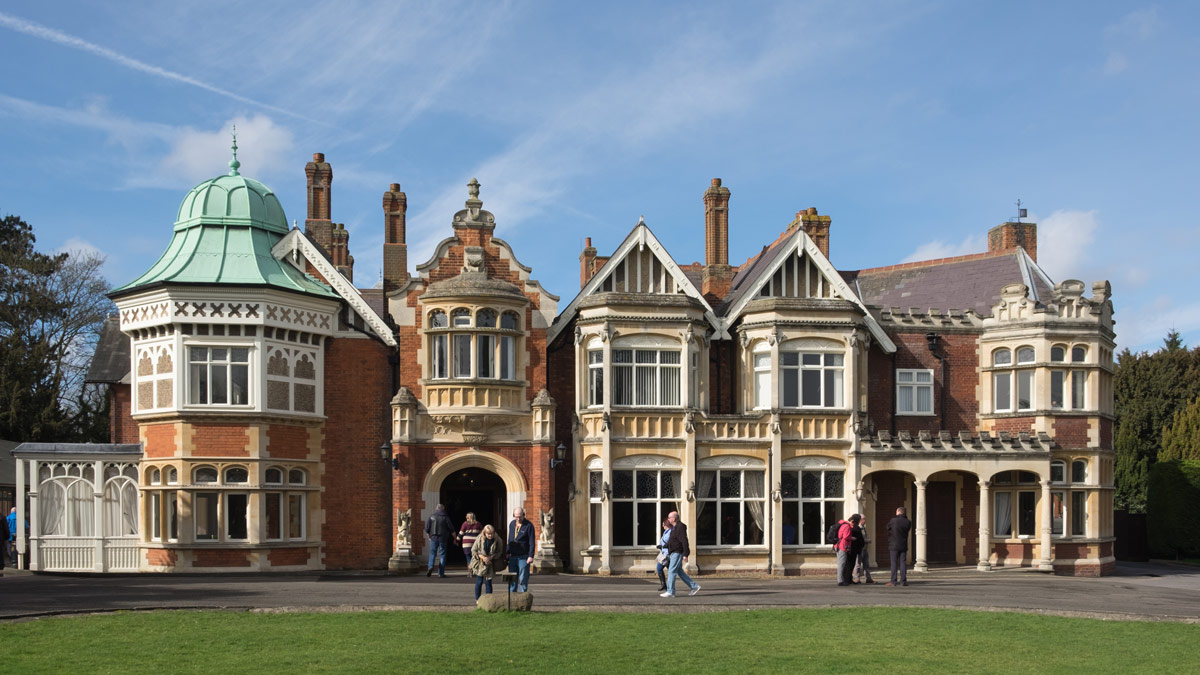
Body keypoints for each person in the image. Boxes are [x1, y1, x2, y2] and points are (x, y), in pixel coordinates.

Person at [660, 511, 700, 598]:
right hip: (674, 552)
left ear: (673, 519)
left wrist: (686, 553)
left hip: (677, 552)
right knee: (679, 571)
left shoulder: (680, 527)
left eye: (669, 517)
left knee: (671, 571)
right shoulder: (675, 527)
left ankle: (670, 591)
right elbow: (675, 540)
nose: (668, 519)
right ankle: (694, 586)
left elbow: (684, 540)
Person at [469, 524, 505, 601]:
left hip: (490, 563)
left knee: (488, 582)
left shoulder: (498, 540)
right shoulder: (479, 538)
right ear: (484, 533)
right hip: (480, 563)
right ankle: (477, 600)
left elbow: (499, 552)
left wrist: (491, 557)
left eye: (492, 533)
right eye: (488, 534)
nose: (490, 535)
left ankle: (489, 600)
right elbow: (473, 550)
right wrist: (483, 557)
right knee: (479, 582)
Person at [507, 507, 535, 592]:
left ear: (524, 515)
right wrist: (507, 551)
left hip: (524, 556)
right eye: (516, 516)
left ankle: (523, 597)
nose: (518, 519)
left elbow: (532, 542)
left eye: (520, 516)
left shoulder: (529, 525)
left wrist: (531, 556)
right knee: (512, 578)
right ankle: (512, 597)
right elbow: (510, 538)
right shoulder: (512, 524)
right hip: (513, 556)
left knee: (523, 578)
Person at [424, 503, 455, 578]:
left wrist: (429, 536)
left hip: (433, 538)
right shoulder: (446, 517)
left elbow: (427, 528)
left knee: (432, 553)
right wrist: (455, 537)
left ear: (436, 508)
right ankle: (440, 573)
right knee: (442, 554)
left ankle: (430, 567)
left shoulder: (431, 516)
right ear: (443, 509)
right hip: (443, 538)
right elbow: (451, 528)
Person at [887, 506, 912, 587]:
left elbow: (888, 528)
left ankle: (893, 581)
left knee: (894, 563)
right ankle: (903, 581)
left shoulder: (893, 520)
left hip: (893, 545)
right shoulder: (908, 522)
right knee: (903, 563)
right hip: (903, 544)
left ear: (898, 512)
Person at [835, 514, 858, 586]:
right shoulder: (847, 526)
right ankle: (840, 581)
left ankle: (841, 579)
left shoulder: (843, 525)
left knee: (841, 563)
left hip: (839, 546)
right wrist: (852, 538)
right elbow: (846, 537)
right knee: (841, 564)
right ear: (852, 521)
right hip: (843, 546)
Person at [853, 515, 875, 584]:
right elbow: (860, 538)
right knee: (858, 564)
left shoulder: (863, 528)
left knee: (866, 564)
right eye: (863, 519)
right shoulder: (858, 528)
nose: (864, 521)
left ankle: (868, 578)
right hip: (860, 549)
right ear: (860, 520)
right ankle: (857, 578)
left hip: (865, 548)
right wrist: (867, 540)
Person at [655, 518, 672, 592]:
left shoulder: (670, 532)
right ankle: (666, 585)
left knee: (659, 568)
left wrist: (662, 546)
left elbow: (670, 543)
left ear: (666, 524)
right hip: (664, 553)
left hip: (667, 554)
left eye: (663, 524)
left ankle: (665, 585)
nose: (662, 526)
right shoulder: (666, 532)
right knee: (670, 571)